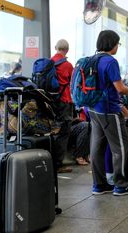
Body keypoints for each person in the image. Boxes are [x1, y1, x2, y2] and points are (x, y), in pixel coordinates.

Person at [89, 30, 128, 196]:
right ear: (112, 43)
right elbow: (120, 88)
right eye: (118, 43)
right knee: (120, 146)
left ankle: (99, 185)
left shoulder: (92, 59)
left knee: (97, 147)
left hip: (93, 108)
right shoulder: (110, 61)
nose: (118, 46)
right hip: (109, 110)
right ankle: (121, 184)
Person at [51, 39, 75, 173]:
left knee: (54, 130)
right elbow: (73, 83)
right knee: (64, 131)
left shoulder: (50, 62)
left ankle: (50, 160)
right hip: (64, 100)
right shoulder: (67, 65)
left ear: (56, 47)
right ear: (67, 50)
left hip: (52, 100)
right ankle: (58, 164)